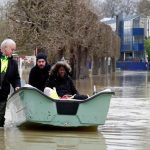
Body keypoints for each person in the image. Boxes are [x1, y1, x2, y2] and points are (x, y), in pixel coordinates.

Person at [0, 38, 21, 127]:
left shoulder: (13, 63)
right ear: (5, 48)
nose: (13, 51)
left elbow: (16, 78)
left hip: (3, 94)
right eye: (12, 49)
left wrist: (17, 86)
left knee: (0, 117)